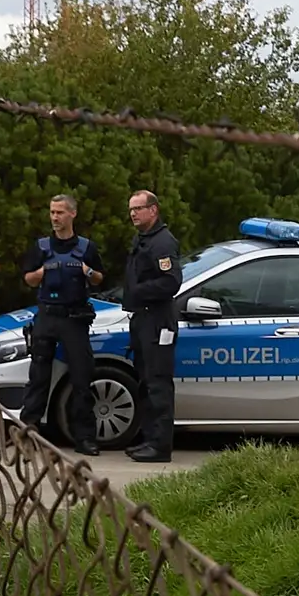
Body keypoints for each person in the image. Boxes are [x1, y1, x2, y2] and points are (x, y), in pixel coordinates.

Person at [20, 195, 103, 450]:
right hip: (47, 316)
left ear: (72, 214)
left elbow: (99, 278)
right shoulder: (42, 246)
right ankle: (30, 429)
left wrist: (86, 271)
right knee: (38, 375)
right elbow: (29, 279)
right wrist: (43, 272)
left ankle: (85, 437)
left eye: (60, 213)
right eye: (52, 212)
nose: (55, 218)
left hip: (74, 318)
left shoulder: (86, 248)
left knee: (81, 378)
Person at [118, 187, 183, 463]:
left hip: (157, 320)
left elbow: (171, 282)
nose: (133, 213)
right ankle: (148, 440)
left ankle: (160, 446)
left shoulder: (162, 243)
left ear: (153, 210)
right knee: (145, 382)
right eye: (131, 209)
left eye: (138, 209)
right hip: (142, 319)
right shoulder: (143, 239)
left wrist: (138, 291)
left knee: (158, 384)